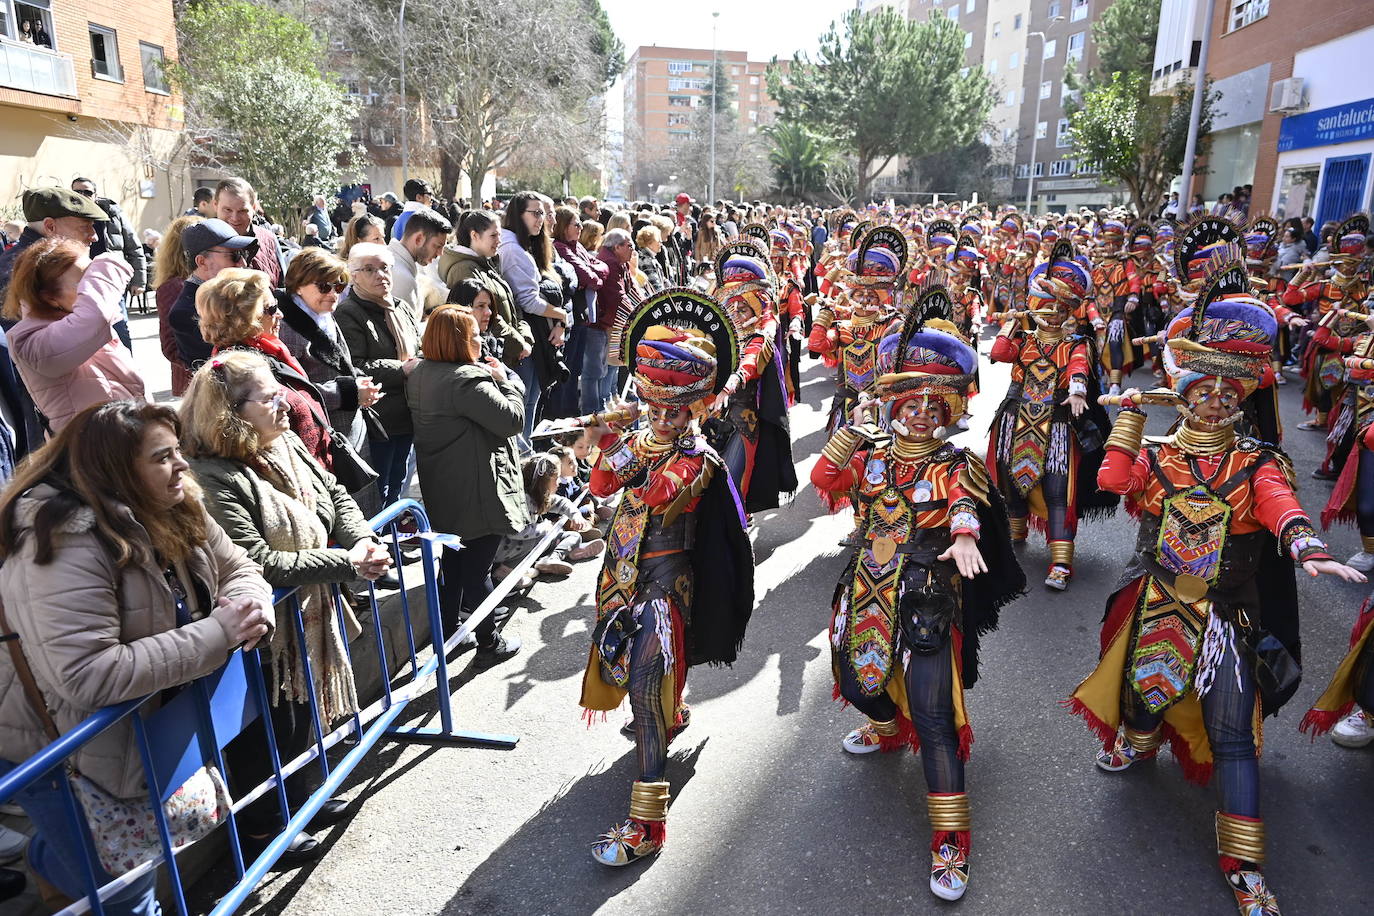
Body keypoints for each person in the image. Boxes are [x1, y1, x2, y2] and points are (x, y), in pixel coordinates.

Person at [1067, 249, 1366, 916]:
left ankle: (1245, 865)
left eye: (1225, 396)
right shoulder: (1156, 452)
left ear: (1242, 401)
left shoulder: (1257, 462)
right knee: (1143, 691)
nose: (1211, 404)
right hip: (1156, 602)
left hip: (1226, 615)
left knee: (1235, 734)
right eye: (1200, 392)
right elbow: (1113, 484)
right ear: (1186, 394)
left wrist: (1308, 545)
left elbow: (1280, 507)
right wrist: (1134, 418)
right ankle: (1140, 742)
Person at [0, 400, 273, 915]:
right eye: (163, 456)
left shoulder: (175, 499)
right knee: (125, 892)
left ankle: (51, 856)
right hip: (54, 742)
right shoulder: (65, 538)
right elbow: (87, 673)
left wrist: (252, 607)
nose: (183, 466)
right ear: (116, 471)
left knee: (116, 867)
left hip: (130, 730)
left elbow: (238, 566)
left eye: (178, 452)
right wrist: (218, 634)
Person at [811, 280, 1024, 901]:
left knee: (933, 716)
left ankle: (951, 842)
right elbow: (825, 477)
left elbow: (963, 503)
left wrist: (963, 538)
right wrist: (850, 432)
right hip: (867, 586)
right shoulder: (872, 453)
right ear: (893, 403)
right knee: (856, 682)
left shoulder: (956, 462)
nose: (922, 414)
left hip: (929, 591)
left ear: (951, 411)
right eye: (912, 403)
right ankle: (882, 727)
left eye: (936, 406)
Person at [180, 351, 390, 863]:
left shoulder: (286, 443)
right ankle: (263, 831)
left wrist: (360, 539)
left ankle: (302, 799)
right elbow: (260, 561)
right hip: (260, 631)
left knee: (299, 716)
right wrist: (348, 563)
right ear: (230, 412)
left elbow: (336, 494)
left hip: (304, 611)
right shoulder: (212, 475)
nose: (284, 404)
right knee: (266, 728)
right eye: (269, 396)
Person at [582, 287, 753, 867]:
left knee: (646, 686)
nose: (660, 417)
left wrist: (630, 445)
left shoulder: (699, 455)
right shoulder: (642, 434)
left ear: (696, 406)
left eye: (672, 410)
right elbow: (600, 486)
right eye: (654, 407)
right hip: (620, 573)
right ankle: (673, 713)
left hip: (664, 583)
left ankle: (647, 822)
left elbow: (659, 491)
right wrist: (611, 437)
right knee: (634, 674)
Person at [986, 240, 1117, 590]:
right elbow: (998, 354)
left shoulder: (1076, 342)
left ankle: (1061, 562)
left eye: (1059, 309)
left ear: (1070, 311)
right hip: (1015, 417)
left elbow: (1078, 367)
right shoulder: (1026, 339)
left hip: (1057, 422)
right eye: (1045, 306)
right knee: (1007, 478)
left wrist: (1076, 391)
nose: (1051, 314)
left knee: (1058, 488)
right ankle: (1014, 533)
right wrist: (1010, 325)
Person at [405, 305, 525, 666]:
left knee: (454, 567)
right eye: (473, 335)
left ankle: (449, 635)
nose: (480, 339)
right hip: (477, 490)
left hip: (443, 486)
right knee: (476, 571)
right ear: (458, 340)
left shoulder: (420, 373)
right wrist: (508, 381)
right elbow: (512, 420)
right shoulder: (465, 381)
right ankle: (490, 641)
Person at [3, 238, 146, 433]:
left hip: (127, 444)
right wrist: (107, 263)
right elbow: (94, 317)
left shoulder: (81, 322)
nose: (92, 288)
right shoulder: (27, 340)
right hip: (92, 455)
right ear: (50, 298)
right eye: (85, 281)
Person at [195, 269, 333, 468]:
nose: (280, 314)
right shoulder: (240, 371)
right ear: (245, 318)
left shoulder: (270, 352)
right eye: (271, 308)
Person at [275, 248, 382, 470]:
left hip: (348, 430)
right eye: (324, 286)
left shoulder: (322, 314)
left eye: (339, 286)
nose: (333, 293)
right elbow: (290, 394)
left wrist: (360, 382)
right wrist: (349, 392)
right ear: (298, 285)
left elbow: (341, 364)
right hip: (322, 438)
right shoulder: (286, 328)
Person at [713, 251, 798, 515]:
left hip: (743, 421)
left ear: (757, 308)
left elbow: (750, 363)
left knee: (732, 480)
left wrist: (730, 384)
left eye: (743, 309)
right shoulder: (716, 337)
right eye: (731, 308)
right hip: (708, 418)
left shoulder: (761, 337)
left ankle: (736, 528)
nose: (736, 314)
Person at [336, 243, 420, 507]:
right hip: (379, 421)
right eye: (369, 270)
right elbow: (355, 365)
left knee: (399, 482)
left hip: (409, 413)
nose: (380, 275)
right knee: (380, 490)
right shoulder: (349, 312)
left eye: (384, 268)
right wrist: (402, 369)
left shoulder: (400, 307)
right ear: (354, 276)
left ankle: (394, 535)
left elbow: (417, 347)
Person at [499, 191, 570, 444]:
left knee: (531, 401)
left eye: (543, 213)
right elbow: (528, 301)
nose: (541, 219)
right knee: (525, 402)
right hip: (524, 338)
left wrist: (560, 321)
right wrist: (561, 315)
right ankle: (525, 464)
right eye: (535, 213)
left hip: (535, 335)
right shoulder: (513, 249)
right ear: (519, 215)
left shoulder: (525, 245)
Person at [439, 210, 533, 365]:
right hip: (494, 356)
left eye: (499, 235)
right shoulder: (464, 270)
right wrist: (518, 344)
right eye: (493, 235)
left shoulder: (487, 263)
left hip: (511, 352)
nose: (499, 241)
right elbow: (482, 316)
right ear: (474, 235)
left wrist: (525, 337)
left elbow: (512, 304)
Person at [494, 452, 604, 578]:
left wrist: (575, 515)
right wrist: (545, 527)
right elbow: (515, 532)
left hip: (526, 541)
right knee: (538, 540)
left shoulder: (539, 496)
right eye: (556, 479)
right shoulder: (523, 501)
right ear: (543, 482)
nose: (558, 483)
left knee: (573, 536)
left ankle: (551, 559)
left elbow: (561, 502)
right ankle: (506, 571)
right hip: (505, 547)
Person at [168, 218, 256, 371]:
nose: (242, 262)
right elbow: (227, 372)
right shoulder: (185, 312)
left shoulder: (232, 292)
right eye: (234, 255)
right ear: (202, 262)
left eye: (244, 254)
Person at [71, 178, 145, 352]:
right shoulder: (67, 217)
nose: (82, 195)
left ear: (95, 195)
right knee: (87, 332)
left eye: (87, 192)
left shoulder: (112, 213)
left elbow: (133, 246)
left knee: (120, 326)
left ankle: (127, 369)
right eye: (77, 192)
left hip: (110, 280)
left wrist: (139, 282)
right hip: (79, 282)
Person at [588, 229, 635, 413]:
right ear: (617, 246)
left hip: (616, 319)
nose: (633, 250)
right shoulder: (611, 262)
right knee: (610, 363)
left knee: (615, 363)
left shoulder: (620, 262)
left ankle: (612, 398)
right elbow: (617, 296)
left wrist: (645, 308)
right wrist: (638, 314)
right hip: (610, 320)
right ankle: (606, 402)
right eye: (629, 246)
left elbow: (630, 290)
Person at [214, 178, 285, 287]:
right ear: (215, 205)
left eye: (242, 211)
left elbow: (282, 285)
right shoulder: (202, 243)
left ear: (254, 208)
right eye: (228, 210)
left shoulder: (269, 239)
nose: (235, 218)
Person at [386, 207, 451, 318]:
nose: (440, 253)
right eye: (437, 246)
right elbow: (407, 332)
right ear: (419, 239)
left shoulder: (395, 263)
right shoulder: (402, 278)